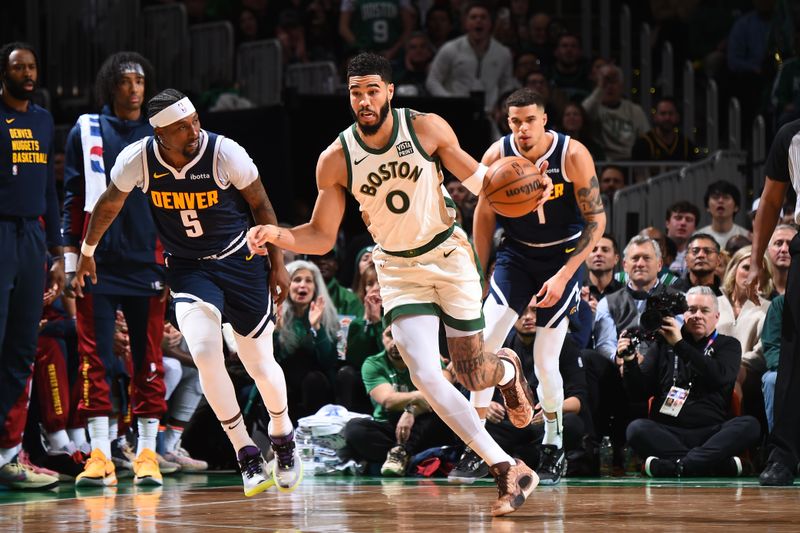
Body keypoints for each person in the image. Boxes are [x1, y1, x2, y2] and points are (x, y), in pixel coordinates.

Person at [247, 52, 540, 516]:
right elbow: (321, 236)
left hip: (448, 256)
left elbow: (483, 180)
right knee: (424, 372)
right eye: (354, 92)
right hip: (398, 269)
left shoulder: (426, 128)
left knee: (471, 374)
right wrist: (275, 234)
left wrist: (524, 179)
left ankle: (505, 372)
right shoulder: (335, 158)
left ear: (389, 91)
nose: (363, 100)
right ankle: (506, 467)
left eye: (371, 90)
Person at [72, 88, 299, 497]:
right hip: (189, 268)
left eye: (195, 120)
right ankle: (245, 452)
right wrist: (87, 251)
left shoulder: (225, 152)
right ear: (161, 133)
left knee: (260, 365)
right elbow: (108, 203)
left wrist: (278, 265)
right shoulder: (138, 158)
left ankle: (282, 436)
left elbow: (262, 206)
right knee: (205, 352)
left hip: (240, 262)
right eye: (182, 126)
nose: (194, 130)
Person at [470, 87, 605, 485]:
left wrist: (565, 276)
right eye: (515, 121)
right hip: (516, 254)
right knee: (483, 346)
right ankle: (477, 445)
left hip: (563, 256)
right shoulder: (496, 156)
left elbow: (597, 222)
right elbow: (482, 214)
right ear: (506, 122)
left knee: (547, 360)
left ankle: (553, 443)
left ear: (545, 119)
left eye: (530, 120)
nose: (523, 128)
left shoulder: (573, 155)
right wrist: (479, 272)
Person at [60, 51, 169, 488]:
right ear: (111, 86)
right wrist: (69, 262)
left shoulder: (162, 134)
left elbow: (175, 204)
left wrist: (173, 263)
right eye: (125, 81)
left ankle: (147, 454)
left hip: (148, 264)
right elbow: (71, 197)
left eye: (141, 81)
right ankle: (101, 454)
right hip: (96, 264)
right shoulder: (85, 130)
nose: (135, 88)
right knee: (95, 360)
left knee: (150, 362)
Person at [0, 42, 63, 490]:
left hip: (33, 239)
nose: (27, 72)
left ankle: (7, 454)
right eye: (18, 66)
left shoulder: (42, 120)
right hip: (0, 233)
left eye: (32, 66)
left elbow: (50, 192)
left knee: (23, 346)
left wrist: (58, 253)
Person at [620, 287, 761, 477]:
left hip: (711, 433)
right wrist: (629, 362)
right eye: (692, 310)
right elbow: (639, 393)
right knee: (636, 429)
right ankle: (713, 466)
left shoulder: (728, 345)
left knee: (750, 425)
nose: (697, 315)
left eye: (704, 310)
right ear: (683, 315)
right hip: (668, 432)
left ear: (717, 317)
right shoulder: (663, 344)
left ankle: (677, 466)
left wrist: (680, 345)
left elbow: (718, 376)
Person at [449, 304, 589, 483]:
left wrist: (550, 410)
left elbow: (579, 400)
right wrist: (488, 406)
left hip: (544, 423)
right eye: (522, 312)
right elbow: (474, 386)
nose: (528, 317)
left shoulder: (563, 343)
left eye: (534, 311)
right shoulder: (502, 343)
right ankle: (483, 457)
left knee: (572, 423)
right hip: (508, 423)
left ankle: (547, 457)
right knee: (461, 420)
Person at [746, 116, 800, 486]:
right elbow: (770, 199)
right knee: (795, 358)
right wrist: (755, 261)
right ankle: (783, 454)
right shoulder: (790, 135)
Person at [343, 327, 456, 476]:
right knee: (354, 429)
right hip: (390, 424)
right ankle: (411, 456)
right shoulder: (373, 363)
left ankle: (400, 453)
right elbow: (389, 401)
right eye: (390, 335)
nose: (395, 342)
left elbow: (444, 388)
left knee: (440, 417)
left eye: (401, 335)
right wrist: (419, 397)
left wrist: (412, 411)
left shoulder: (426, 358)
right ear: (382, 337)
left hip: (423, 420)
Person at [425, 1, 519, 113]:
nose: (478, 21)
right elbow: (432, 81)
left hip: (489, 113)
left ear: (490, 23)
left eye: (483, 17)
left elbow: (506, 84)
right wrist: (449, 100)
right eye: (473, 17)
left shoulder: (503, 53)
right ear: (466, 23)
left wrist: (501, 106)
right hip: (456, 111)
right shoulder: (450, 49)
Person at [274, 260, 339, 419]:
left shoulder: (326, 317)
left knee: (313, 378)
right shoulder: (276, 314)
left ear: (315, 288)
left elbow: (328, 362)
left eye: (308, 281)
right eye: (297, 280)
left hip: (316, 386)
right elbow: (271, 360)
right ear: (286, 285)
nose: (303, 285)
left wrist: (317, 327)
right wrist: (276, 331)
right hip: (284, 385)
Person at [581, 64, 649, 161]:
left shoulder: (635, 110)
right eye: (606, 82)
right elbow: (582, 112)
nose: (609, 86)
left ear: (621, 86)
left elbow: (646, 139)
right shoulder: (594, 108)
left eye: (614, 82)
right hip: (603, 162)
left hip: (630, 162)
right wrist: (600, 86)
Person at [631, 96, 700, 181]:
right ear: (655, 117)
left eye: (671, 114)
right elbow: (639, 178)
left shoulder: (686, 145)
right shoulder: (643, 143)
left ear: (677, 117)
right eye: (663, 114)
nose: (667, 118)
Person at [697, 180, 750, 248]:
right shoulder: (698, 237)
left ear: (736, 207)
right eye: (715, 197)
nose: (720, 201)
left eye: (726, 197)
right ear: (707, 207)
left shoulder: (746, 237)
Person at [665, 201, 701, 275]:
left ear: (695, 228)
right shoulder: (655, 251)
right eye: (678, 218)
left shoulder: (699, 256)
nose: (683, 223)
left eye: (688, 219)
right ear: (667, 223)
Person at [585, 234, 622, 305]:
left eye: (605, 250)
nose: (598, 253)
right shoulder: (576, 292)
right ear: (585, 257)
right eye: (594, 250)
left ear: (616, 259)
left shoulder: (625, 294)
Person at [765, 224, 797, 296]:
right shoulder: (757, 288)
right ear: (768, 249)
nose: (784, 249)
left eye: (790, 244)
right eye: (778, 243)